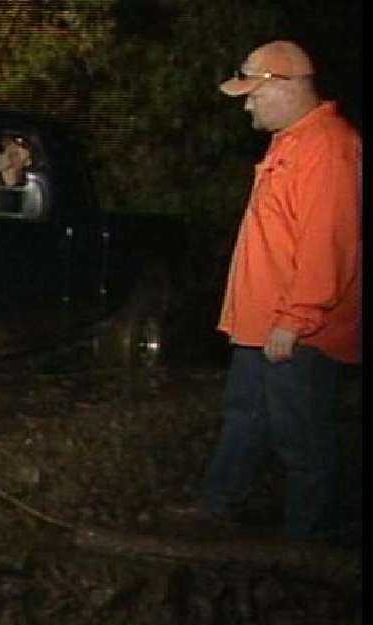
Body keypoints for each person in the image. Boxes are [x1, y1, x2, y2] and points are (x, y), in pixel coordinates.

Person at [164, 40, 361, 542]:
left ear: (287, 86)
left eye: (253, 95)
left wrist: (295, 319)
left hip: (297, 330)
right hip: (263, 322)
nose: (247, 105)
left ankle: (309, 539)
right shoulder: (291, 141)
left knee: (303, 437)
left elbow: (329, 243)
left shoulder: (329, 148)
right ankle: (217, 506)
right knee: (245, 418)